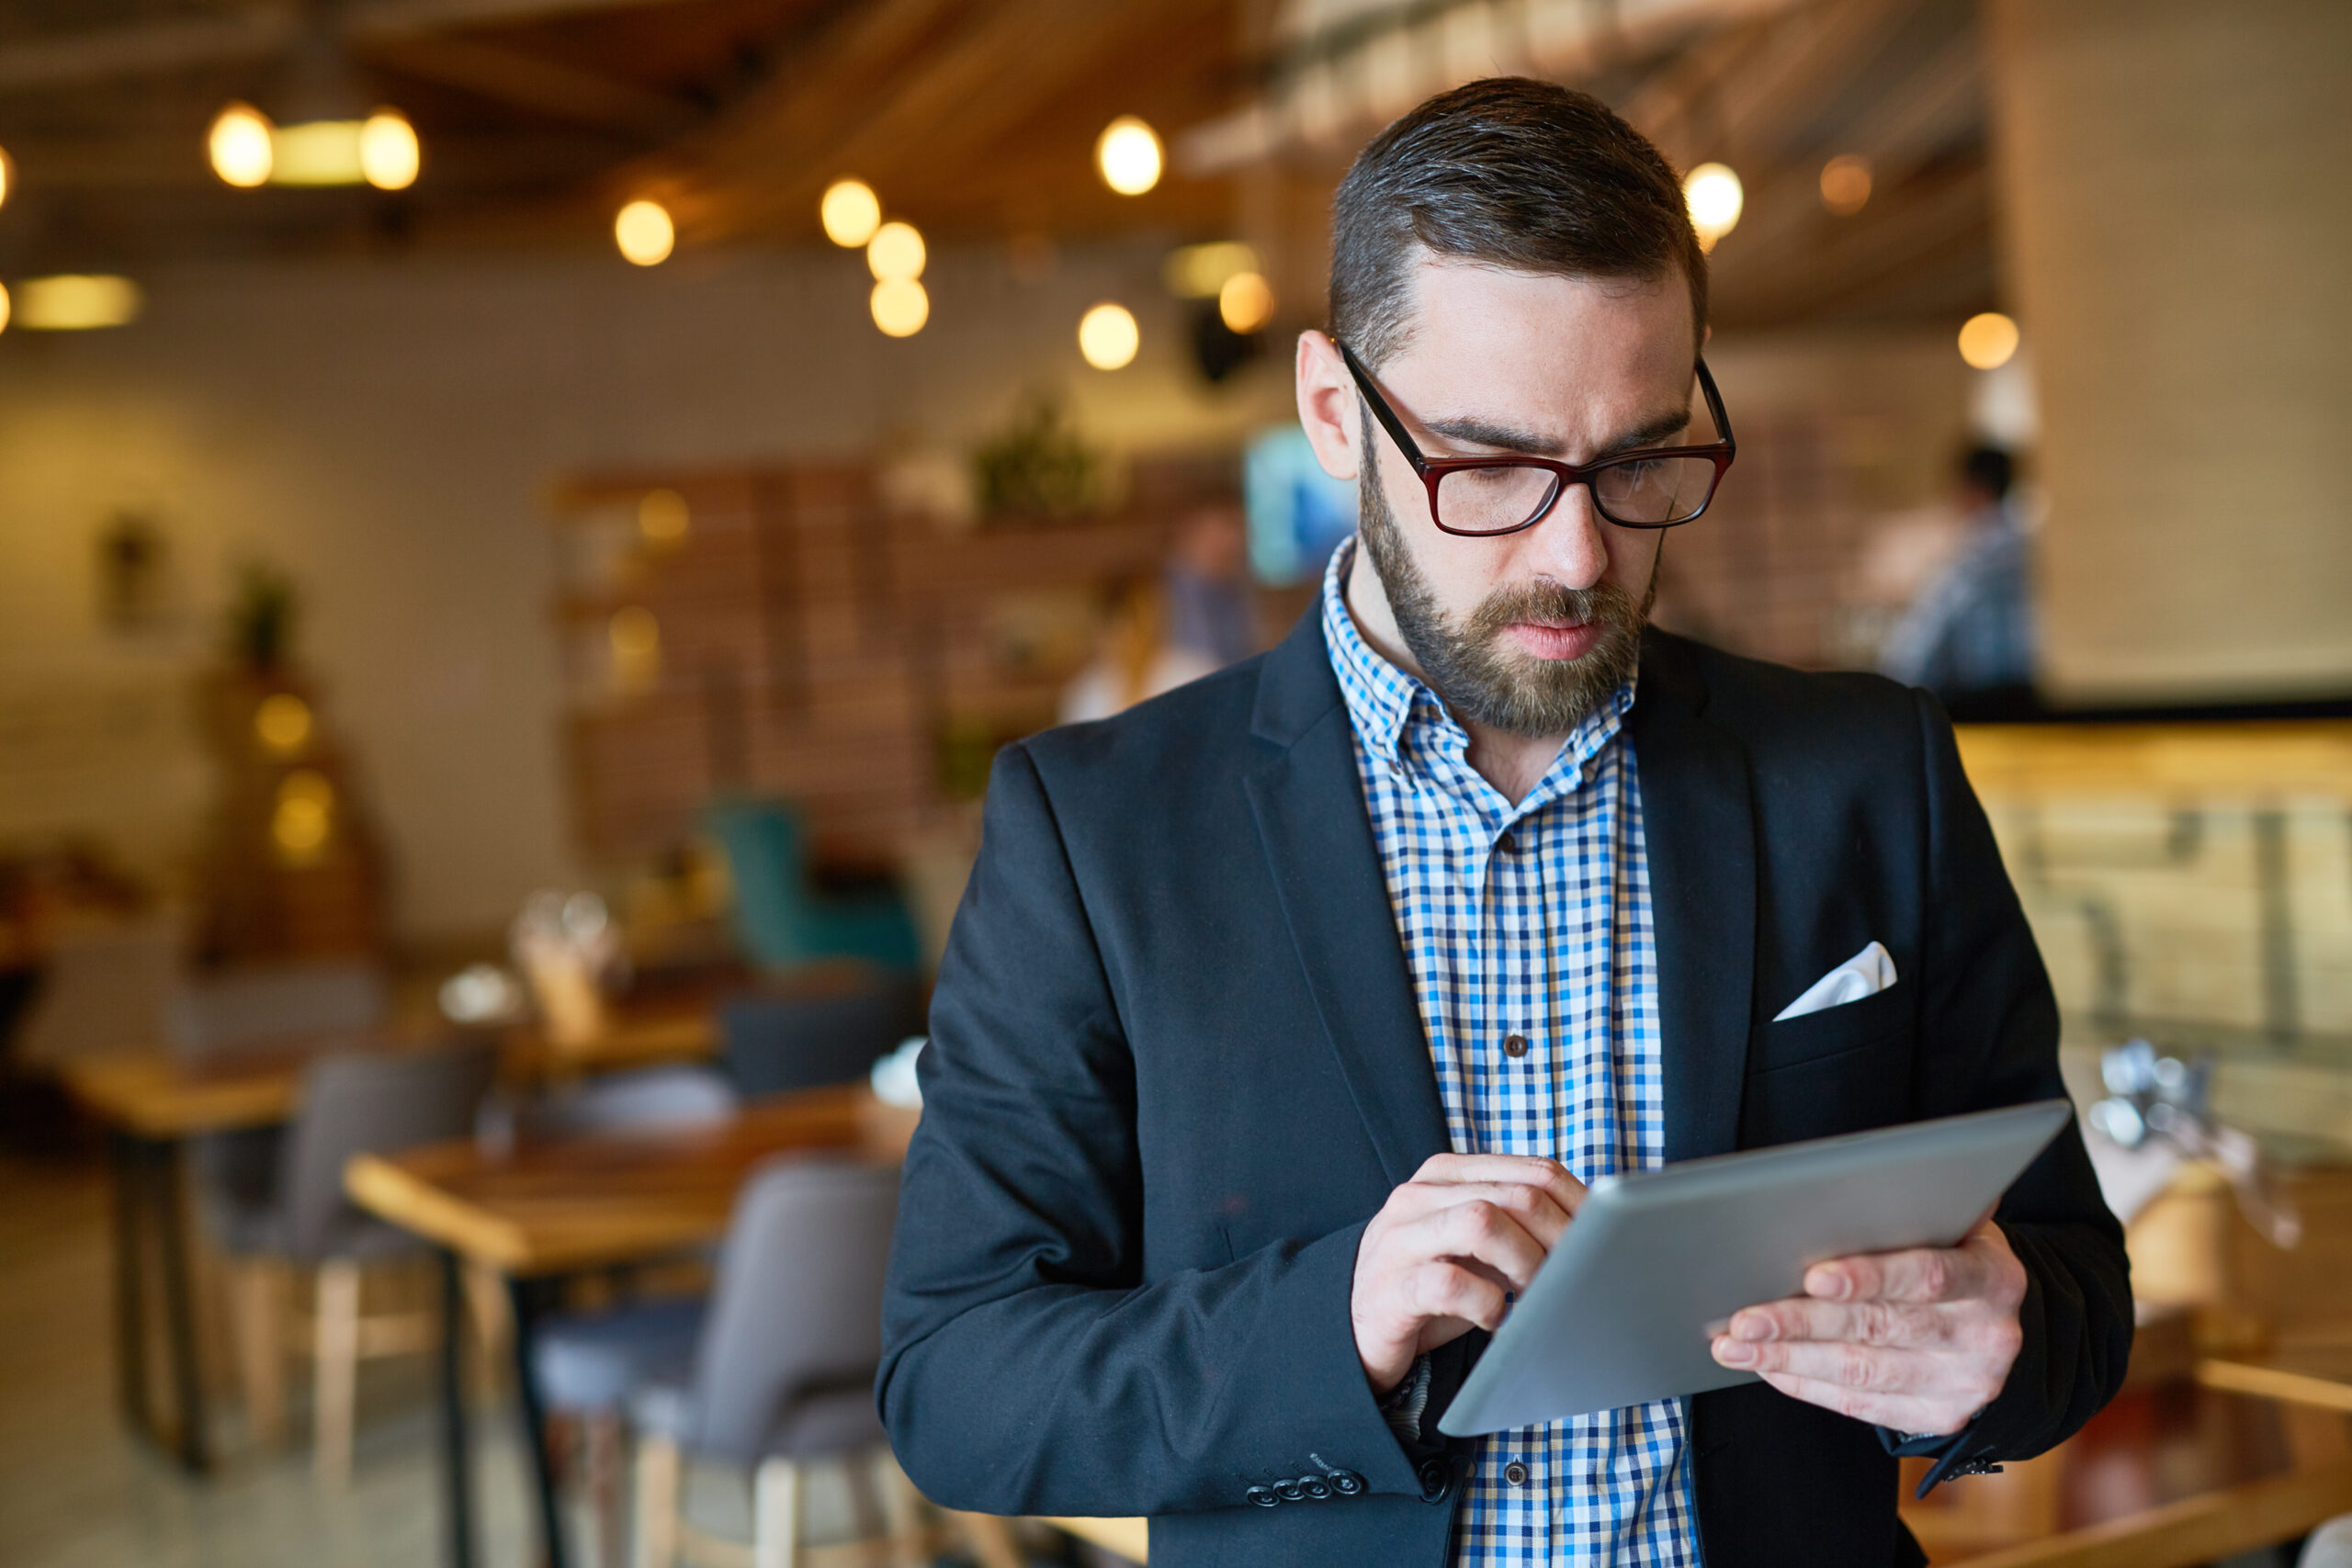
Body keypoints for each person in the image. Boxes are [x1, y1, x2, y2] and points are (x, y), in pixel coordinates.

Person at [880, 79, 2129, 1568]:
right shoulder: (1095, 832)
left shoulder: (1868, 770)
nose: (1579, 552)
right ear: (1334, 412)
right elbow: (956, 1382)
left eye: (1640, 459)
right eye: (1491, 467)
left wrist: (2002, 1349)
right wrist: (1334, 1321)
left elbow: (2071, 1284)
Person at [1878, 446, 2039, 716]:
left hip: (1983, 716)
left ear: (1971, 488)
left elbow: (1910, 660)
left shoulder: (1966, 567)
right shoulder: (2040, 555)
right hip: (2046, 711)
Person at [1057, 572, 1221, 724]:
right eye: (1116, 625)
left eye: (1134, 622)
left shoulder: (1195, 677)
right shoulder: (1084, 695)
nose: (1123, 637)